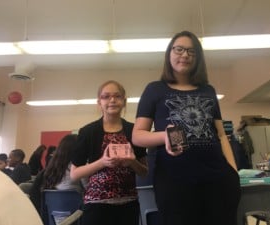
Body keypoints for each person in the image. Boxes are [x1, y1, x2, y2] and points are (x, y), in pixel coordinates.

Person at [132, 30, 241, 225]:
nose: (185, 55)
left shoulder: (208, 90)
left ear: (197, 57)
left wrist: (233, 172)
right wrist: (164, 136)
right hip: (175, 181)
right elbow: (138, 136)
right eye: (179, 49)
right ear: (169, 53)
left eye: (191, 51)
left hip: (218, 179)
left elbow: (221, 135)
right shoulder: (154, 89)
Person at [70, 80, 148, 225]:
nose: (112, 100)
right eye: (106, 96)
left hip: (128, 204)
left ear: (124, 101)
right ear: (99, 102)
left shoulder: (133, 130)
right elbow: (74, 174)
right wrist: (102, 162)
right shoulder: (88, 131)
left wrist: (132, 162)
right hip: (96, 204)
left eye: (117, 96)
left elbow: (144, 172)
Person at [29, 134, 85, 213]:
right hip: (75, 217)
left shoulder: (48, 171)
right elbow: (90, 191)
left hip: (50, 218)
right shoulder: (79, 169)